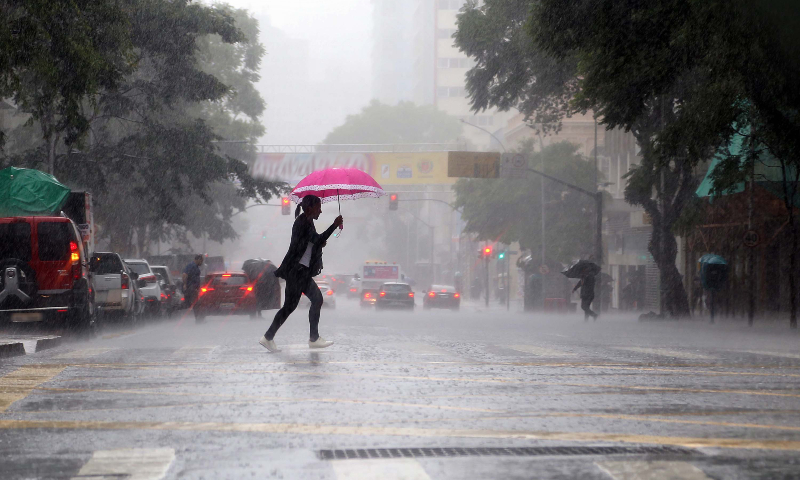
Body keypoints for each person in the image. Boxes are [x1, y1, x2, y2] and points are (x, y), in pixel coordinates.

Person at [259, 195, 343, 352]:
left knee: (290, 307)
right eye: (318, 208)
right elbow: (315, 240)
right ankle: (313, 338)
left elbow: (312, 242)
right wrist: (334, 225)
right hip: (297, 271)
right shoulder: (302, 222)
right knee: (314, 300)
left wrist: (319, 243)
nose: (321, 211)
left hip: (298, 271)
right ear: (310, 208)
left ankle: (268, 337)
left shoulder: (308, 222)